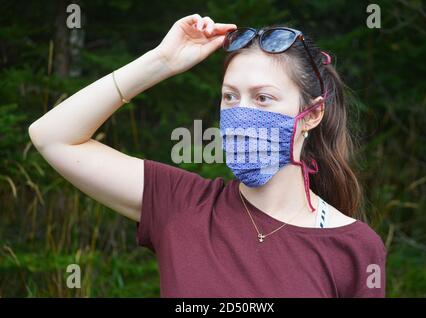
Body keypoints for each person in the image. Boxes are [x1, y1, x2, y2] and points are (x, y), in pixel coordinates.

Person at [28, 13, 386, 297]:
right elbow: (52, 137)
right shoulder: (180, 204)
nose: (241, 114)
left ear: (310, 115)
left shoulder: (354, 248)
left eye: (263, 98)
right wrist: (161, 62)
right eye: (230, 97)